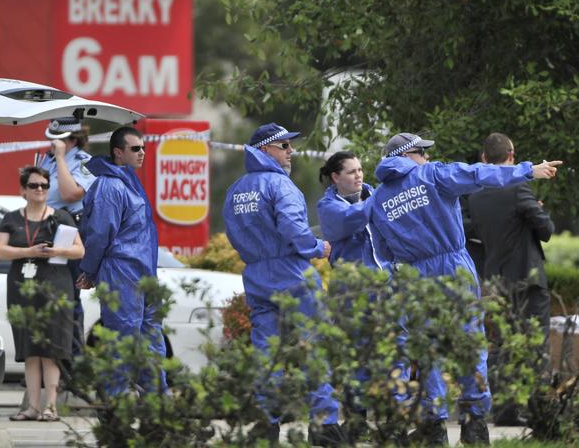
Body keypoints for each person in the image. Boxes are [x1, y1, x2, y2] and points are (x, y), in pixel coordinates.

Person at [367, 132, 561, 446]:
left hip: (414, 277)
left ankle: (434, 427)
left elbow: (381, 252)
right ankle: (474, 427)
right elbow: (477, 173)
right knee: (469, 344)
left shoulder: (377, 198)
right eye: (423, 152)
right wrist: (527, 170)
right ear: (408, 154)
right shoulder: (431, 175)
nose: (428, 157)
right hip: (452, 267)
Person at [222, 123, 345, 447]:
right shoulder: (281, 185)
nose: (291, 152)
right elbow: (293, 227)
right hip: (292, 274)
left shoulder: (236, 190)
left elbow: (233, 233)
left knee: (267, 356)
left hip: (257, 277)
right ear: (265, 150)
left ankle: (266, 427)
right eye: (284, 146)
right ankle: (325, 429)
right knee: (314, 349)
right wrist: (318, 248)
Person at [467, 133, 554, 426]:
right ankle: (537, 410)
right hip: (527, 279)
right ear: (512, 155)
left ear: (484, 159)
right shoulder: (519, 187)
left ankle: (504, 411)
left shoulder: (476, 197)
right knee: (534, 344)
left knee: (501, 345)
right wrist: (539, 210)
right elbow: (546, 230)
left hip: (495, 282)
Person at [75, 126, 166, 396]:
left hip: (144, 274)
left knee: (152, 342)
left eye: (143, 148)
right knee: (121, 344)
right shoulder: (110, 186)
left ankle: (159, 407)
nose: (142, 153)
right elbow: (100, 234)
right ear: (118, 152)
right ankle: (114, 410)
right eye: (135, 149)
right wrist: (89, 271)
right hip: (122, 273)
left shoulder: (128, 181)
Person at [317, 151, 395, 442]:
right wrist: (383, 193)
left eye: (361, 170)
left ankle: (391, 422)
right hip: (351, 293)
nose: (359, 176)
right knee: (357, 360)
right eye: (351, 172)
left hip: (383, 288)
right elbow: (356, 218)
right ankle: (357, 423)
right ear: (336, 177)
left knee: (391, 356)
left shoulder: (372, 194)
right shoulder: (328, 207)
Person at [0, 166, 84, 422]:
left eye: (44, 186)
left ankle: (51, 407)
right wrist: (29, 251)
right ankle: (32, 406)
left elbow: (80, 250)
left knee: (52, 349)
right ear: (23, 190)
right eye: (34, 186)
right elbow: (0, 251)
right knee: (30, 348)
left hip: (56, 287)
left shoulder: (62, 218)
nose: (39, 190)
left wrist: (58, 251)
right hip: (23, 287)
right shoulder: (12, 218)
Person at [37, 118, 96, 357]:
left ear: (71, 139)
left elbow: (70, 193)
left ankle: (73, 360)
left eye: (57, 140)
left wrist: (61, 158)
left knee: (68, 296)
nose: (52, 144)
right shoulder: (45, 159)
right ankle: (48, 359)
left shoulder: (83, 162)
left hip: (69, 228)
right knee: (44, 296)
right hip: (45, 227)